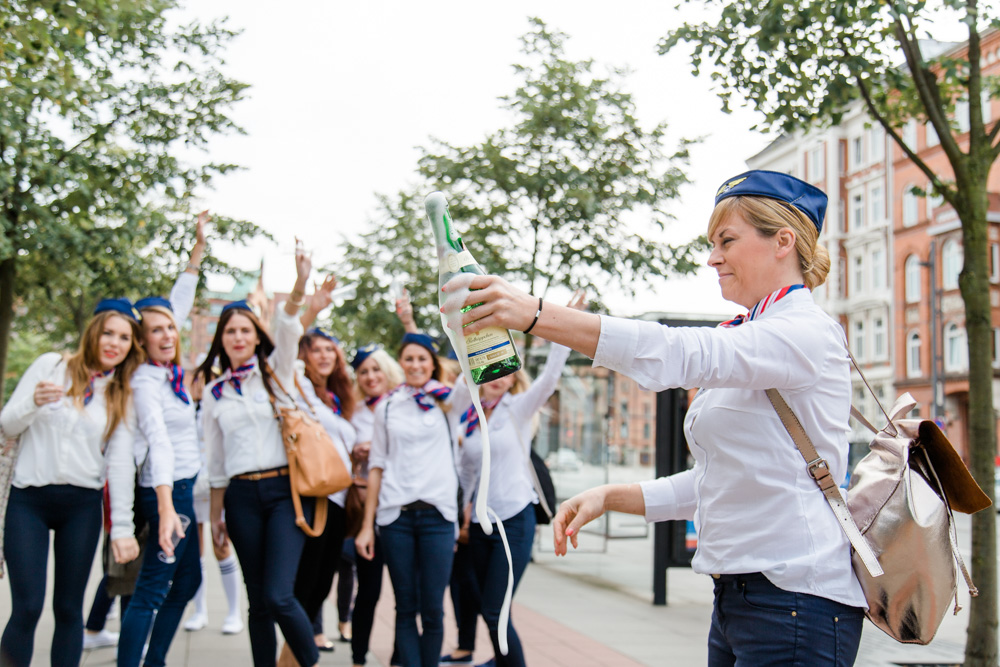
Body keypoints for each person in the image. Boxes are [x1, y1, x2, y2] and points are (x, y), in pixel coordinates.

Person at [441, 170, 867, 667]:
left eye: (726, 240)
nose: (712, 258)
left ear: (783, 241)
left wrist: (534, 314)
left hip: (795, 600)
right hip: (744, 599)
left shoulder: (801, 331)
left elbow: (674, 351)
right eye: (712, 243)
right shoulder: (759, 332)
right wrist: (609, 496)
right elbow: (720, 482)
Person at [0, 298, 142, 667]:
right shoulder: (51, 366)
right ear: (93, 333)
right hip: (28, 500)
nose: (115, 343)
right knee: (27, 608)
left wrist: (122, 529)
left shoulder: (119, 393)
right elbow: (8, 424)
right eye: (108, 333)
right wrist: (32, 401)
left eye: (124, 338)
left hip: (81, 506)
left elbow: (121, 464)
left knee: (68, 609)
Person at [198, 242, 320, 667]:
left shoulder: (276, 374)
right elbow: (215, 463)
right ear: (222, 338)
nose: (237, 337)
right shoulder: (214, 393)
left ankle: (310, 661)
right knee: (258, 604)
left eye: (245, 330)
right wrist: (215, 517)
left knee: (278, 594)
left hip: (284, 493)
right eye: (230, 331)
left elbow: (289, 330)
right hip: (240, 498)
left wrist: (301, 284)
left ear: (255, 336)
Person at [455, 293, 582, 667]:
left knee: (495, 610)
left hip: (514, 519)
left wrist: (563, 325)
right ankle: (501, 662)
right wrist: (463, 510)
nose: (496, 377)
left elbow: (549, 380)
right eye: (488, 368)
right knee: (488, 608)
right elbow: (467, 471)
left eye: (503, 370)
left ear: (512, 376)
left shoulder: (518, 411)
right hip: (481, 524)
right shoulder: (471, 416)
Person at [116, 212, 208, 667]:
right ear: (142, 339)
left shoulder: (169, 374)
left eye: (171, 326)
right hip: (166, 492)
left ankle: (154, 661)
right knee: (152, 588)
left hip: (184, 488)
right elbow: (158, 440)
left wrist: (196, 253)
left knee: (186, 583)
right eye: (157, 329)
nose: (169, 333)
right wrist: (169, 507)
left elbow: (179, 303)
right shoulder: (146, 383)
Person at [355, 332, 470, 667]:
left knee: (433, 608)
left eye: (423, 358)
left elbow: (469, 370)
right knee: (405, 607)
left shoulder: (450, 401)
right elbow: (376, 466)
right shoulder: (388, 406)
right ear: (400, 363)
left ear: (433, 363)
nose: (416, 364)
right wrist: (367, 526)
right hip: (396, 519)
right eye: (409, 358)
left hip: (438, 517)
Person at [279, 275, 358, 663]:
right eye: (317, 350)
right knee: (304, 588)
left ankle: (291, 659)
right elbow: (287, 347)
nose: (324, 356)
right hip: (316, 497)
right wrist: (312, 309)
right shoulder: (300, 387)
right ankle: (291, 659)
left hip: (341, 499)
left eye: (331, 349)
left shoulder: (340, 398)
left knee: (318, 588)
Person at [347, 342, 404, 667]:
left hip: (399, 509)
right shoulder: (353, 412)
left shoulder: (402, 404)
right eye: (363, 371)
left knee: (403, 595)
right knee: (367, 592)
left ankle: (398, 657)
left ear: (387, 371)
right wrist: (356, 454)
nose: (370, 376)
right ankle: (357, 657)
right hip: (365, 512)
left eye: (375, 369)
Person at [183, 371, 244, 635]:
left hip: (220, 482)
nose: (201, 385)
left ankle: (233, 611)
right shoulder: (185, 405)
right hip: (193, 485)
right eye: (197, 380)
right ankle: (200, 610)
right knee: (194, 550)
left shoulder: (222, 403)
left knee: (221, 545)